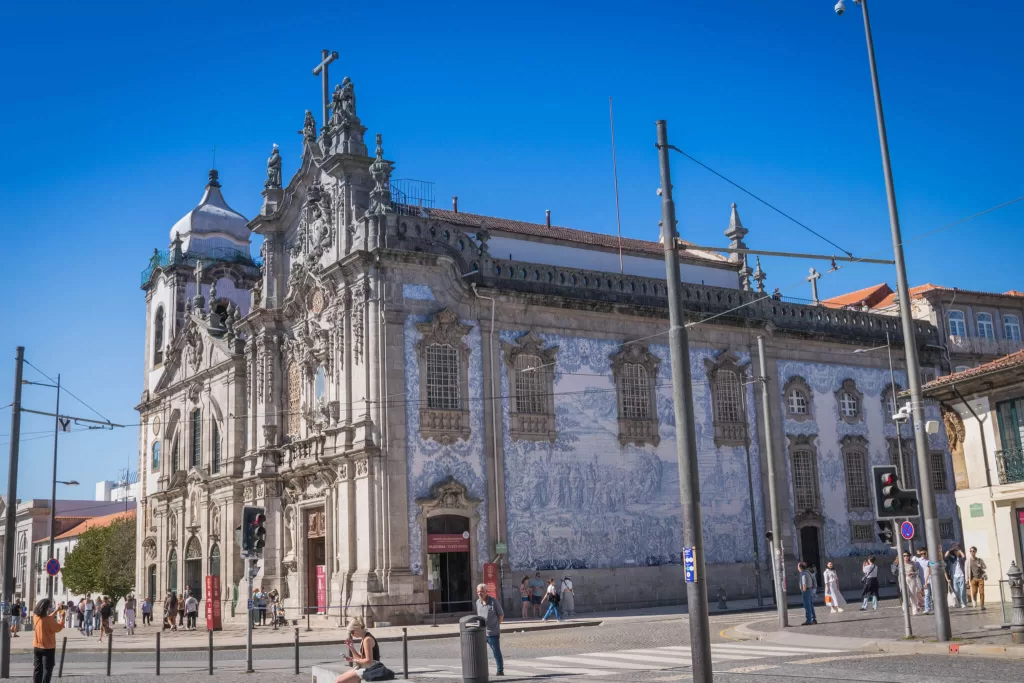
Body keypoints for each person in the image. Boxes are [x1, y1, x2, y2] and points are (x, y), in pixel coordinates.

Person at [334, 617, 392, 682]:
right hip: (366, 667)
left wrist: (353, 660)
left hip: (370, 669)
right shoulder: (364, 639)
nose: (352, 635)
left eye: (352, 632)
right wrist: (351, 648)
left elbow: (368, 661)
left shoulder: (367, 640)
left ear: (357, 629)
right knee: (337, 680)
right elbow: (360, 658)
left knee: (338, 681)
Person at [475, 583, 504, 676]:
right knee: (480, 652)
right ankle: (481, 670)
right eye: (478, 592)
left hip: (493, 632)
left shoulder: (493, 601)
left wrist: (497, 624)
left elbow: (501, 614)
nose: (480, 593)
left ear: (486, 592)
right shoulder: (477, 602)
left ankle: (500, 670)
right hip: (482, 632)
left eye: (482, 591)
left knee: (496, 651)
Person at [32, 598, 63, 683]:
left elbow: (47, 618)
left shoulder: (35, 617)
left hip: (37, 647)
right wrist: (62, 618)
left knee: (37, 669)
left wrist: (56, 611)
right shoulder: (49, 620)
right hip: (48, 648)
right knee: (47, 670)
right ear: (46, 608)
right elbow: (58, 628)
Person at [915, 548, 933, 615]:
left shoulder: (930, 560)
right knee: (927, 594)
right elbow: (915, 569)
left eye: (924, 553)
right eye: (922, 554)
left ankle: (935, 608)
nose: (923, 555)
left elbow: (933, 567)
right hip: (924, 580)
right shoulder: (918, 561)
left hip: (932, 579)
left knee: (934, 595)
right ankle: (927, 608)